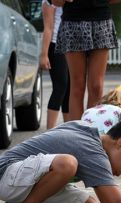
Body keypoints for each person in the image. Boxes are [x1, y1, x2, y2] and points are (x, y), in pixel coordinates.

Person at [51, 0, 121, 120]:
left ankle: (91, 132)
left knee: (96, 86)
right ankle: (77, 135)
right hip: (73, 23)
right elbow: (56, 2)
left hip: (101, 22)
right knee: (77, 86)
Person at [40, 0, 70, 128]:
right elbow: (48, 27)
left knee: (69, 90)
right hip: (55, 45)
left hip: (71, 46)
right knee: (60, 87)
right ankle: (49, 132)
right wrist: (44, 54)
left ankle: (70, 131)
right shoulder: (49, 1)